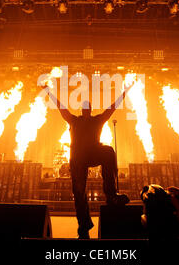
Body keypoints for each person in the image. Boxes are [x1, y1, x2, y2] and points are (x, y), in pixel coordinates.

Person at [42, 83, 134, 239]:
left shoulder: (96, 120)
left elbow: (111, 108)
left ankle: (111, 195)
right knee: (79, 192)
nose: (86, 110)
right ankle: (84, 226)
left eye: (88, 108)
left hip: (92, 153)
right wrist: (48, 92)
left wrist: (124, 93)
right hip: (78, 158)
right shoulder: (74, 120)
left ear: (90, 110)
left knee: (108, 151)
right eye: (84, 108)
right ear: (82, 110)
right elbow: (60, 107)